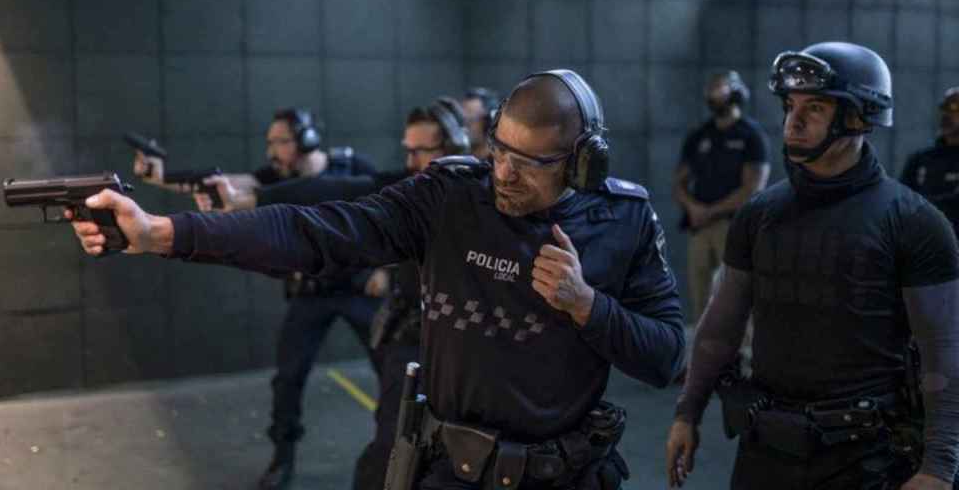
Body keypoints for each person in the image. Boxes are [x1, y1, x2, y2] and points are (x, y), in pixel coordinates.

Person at [69, 69, 685, 489]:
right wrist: (162, 234)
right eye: (499, 151)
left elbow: (664, 357)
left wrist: (586, 306)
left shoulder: (622, 218)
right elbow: (314, 230)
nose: (504, 174)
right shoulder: (449, 197)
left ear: (583, 160)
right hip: (453, 473)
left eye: (530, 164)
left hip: (567, 477)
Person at [666, 42, 959, 490]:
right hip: (765, 454)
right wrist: (687, 413)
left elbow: (942, 350)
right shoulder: (759, 214)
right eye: (790, 105)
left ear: (859, 118)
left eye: (815, 107)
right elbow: (720, 326)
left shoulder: (916, 223)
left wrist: (938, 465)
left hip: (867, 459)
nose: (793, 121)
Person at [205, 97, 472, 490]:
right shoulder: (407, 185)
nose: (412, 160)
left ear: (451, 149)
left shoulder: (478, 194)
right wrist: (248, 200)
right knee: (292, 378)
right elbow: (330, 192)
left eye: (421, 151)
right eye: (408, 151)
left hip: (426, 322)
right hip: (336, 300)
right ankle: (285, 455)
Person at [191, 109, 383, 490]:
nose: (273, 150)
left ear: (307, 139)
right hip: (311, 291)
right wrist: (160, 175)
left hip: (357, 288)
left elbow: (391, 219)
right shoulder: (279, 178)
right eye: (270, 142)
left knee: (394, 372)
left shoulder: (352, 167)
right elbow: (227, 184)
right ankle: (283, 456)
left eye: (281, 140)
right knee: (288, 378)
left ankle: (401, 455)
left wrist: (387, 269)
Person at [673, 71, 770, 322]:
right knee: (701, 297)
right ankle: (704, 357)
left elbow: (753, 189)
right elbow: (679, 182)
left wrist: (710, 211)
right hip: (700, 228)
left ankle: (746, 357)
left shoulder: (751, 135)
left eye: (720, 88)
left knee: (738, 295)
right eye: (711, 88)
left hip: (733, 227)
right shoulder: (699, 135)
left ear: (735, 92)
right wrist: (693, 209)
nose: (712, 94)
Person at [901, 87, 959, 235]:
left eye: (955, 109)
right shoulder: (921, 159)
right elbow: (902, 202)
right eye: (945, 109)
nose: (947, 115)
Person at [461, 87, 499, 161]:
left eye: (470, 120)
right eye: (463, 120)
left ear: (488, 122)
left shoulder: (499, 166)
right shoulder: (460, 163)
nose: (464, 127)